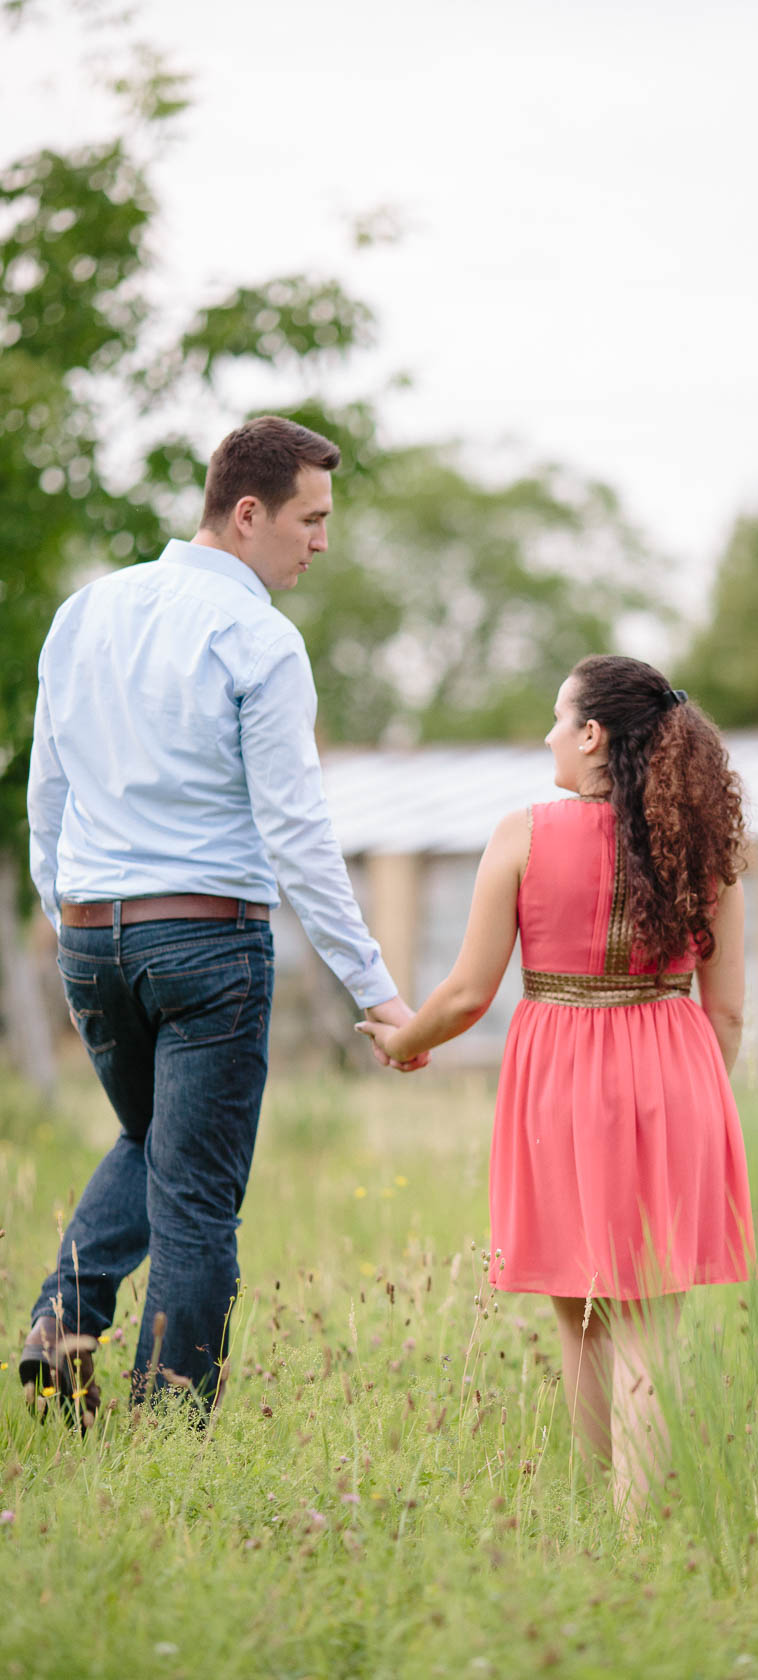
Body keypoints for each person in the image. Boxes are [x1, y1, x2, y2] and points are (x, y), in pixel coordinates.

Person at [21, 415, 422, 1423]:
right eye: (310, 519)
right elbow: (296, 834)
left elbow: (46, 788)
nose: (321, 542)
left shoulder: (85, 612)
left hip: (91, 931)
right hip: (206, 943)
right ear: (248, 515)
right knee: (195, 1190)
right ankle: (169, 1425)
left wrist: (63, 915)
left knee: (155, 1139)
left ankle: (64, 1316)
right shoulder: (260, 641)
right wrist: (375, 987)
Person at [360, 654, 753, 1515]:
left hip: (562, 1087)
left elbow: (467, 994)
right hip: (678, 1080)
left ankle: (598, 1515)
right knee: (648, 1321)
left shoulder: (523, 834)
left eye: (556, 716)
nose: (546, 734)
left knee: (579, 1314)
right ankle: (638, 1530)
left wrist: (402, 1042)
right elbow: (726, 1015)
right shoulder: (704, 845)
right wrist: (691, 1099)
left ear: (592, 733)